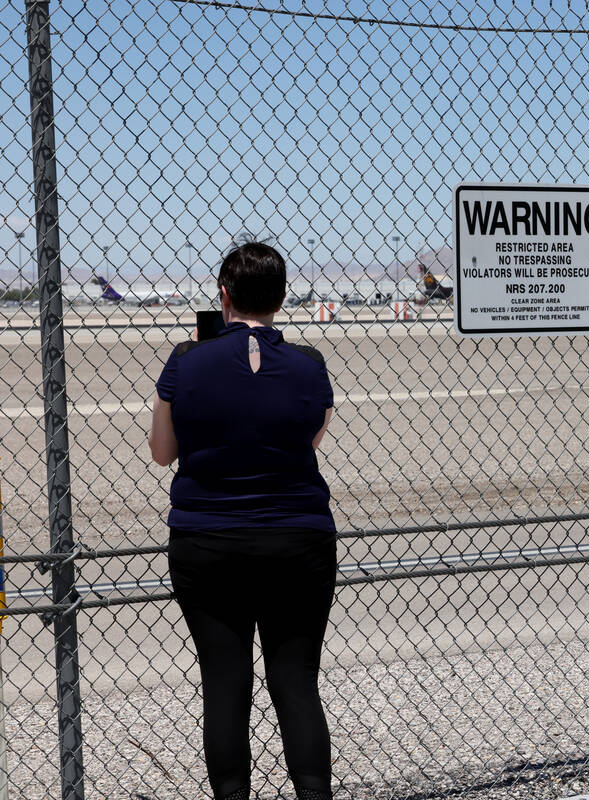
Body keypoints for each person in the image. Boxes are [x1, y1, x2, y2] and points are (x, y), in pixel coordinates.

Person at [148, 242, 336, 800]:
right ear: (281, 298)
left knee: (225, 683)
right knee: (296, 680)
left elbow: (162, 452)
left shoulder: (184, 361)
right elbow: (308, 443)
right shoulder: (311, 367)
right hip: (297, 538)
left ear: (223, 295)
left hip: (207, 540)